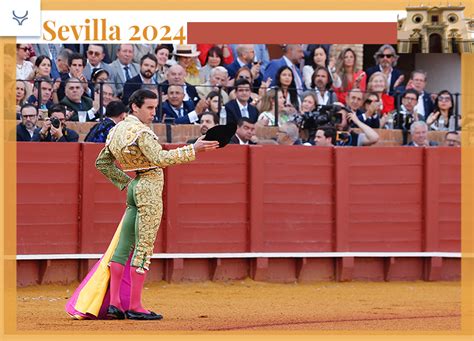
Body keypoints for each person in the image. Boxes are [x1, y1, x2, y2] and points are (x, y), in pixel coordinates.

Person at [66, 89, 219, 321]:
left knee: (123, 247)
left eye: (155, 108)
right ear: (135, 107)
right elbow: (160, 159)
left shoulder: (116, 130)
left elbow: (102, 163)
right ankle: (135, 306)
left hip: (135, 186)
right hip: (148, 187)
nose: (153, 112)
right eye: (149, 107)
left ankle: (116, 304)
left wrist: (127, 183)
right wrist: (193, 149)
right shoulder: (142, 132)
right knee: (143, 247)